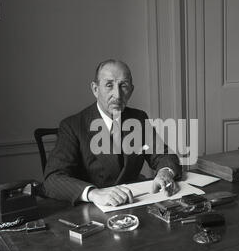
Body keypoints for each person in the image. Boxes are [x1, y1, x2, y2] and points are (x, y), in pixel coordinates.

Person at [43, 59, 181, 206]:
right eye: (109, 85)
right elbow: (53, 178)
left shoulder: (138, 118)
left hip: (135, 204)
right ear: (95, 89)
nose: (117, 95)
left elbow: (163, 154)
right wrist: (94, 193)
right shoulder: (72, 125)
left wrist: (164, 173)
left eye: (124, 86)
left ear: (131, 90)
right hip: (93, 211)